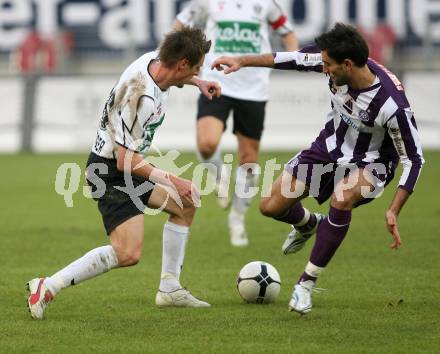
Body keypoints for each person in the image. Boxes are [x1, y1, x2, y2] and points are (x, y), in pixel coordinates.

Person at [212, 23, 424, 314]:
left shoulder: (392, 105)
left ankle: (305, 285)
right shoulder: (335, 62)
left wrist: (393, 209)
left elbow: (414, 159)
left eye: (327, 65)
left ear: (347, 65)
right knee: (270, 206)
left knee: (342, 197)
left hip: (372, 162)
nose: (322, 68)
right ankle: (309, 224)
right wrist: (242, 61)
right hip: (328, 150)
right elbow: (291, 59)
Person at [27, 27, 221, 319]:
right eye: (195, 67)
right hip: (109, 171)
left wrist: (198, 82)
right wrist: (174, 179)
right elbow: (125, 161)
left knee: (186, 204)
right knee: (128, 253)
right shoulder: (140, 97)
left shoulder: (155, 60)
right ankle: (48, 285)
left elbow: (173, 68)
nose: (197, 72)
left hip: (125, 165)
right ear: (182, 64)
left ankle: (169, 289)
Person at [175, 0, 299, 247]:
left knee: (249, 159)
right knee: (207, 144)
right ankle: (219, 175)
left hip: (254, 88)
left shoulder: (266, 4)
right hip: (215, 78)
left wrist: (292, 59)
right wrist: (166, 54)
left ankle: (237, 218)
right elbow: (180, 24)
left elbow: (288, 33)